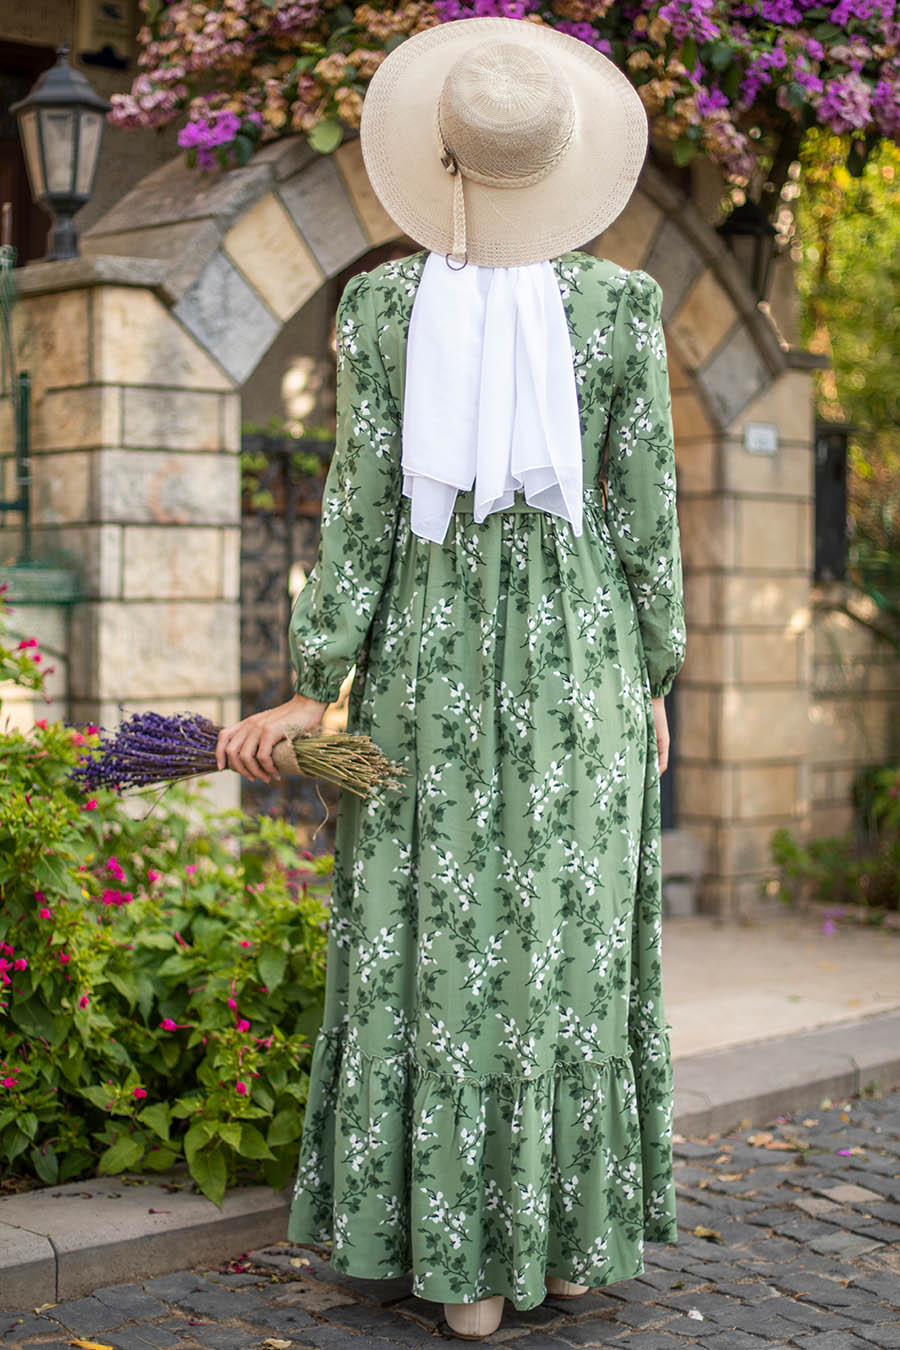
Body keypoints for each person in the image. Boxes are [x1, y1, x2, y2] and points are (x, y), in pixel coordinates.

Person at [216, 15, 686, 1342]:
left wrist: (320, 681)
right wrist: (653, 673)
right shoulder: (622, 308)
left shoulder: (376, 306)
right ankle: (570, 1245)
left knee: (433, 942)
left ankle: (457, 1269)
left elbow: (355, 518)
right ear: (563, 165)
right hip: (581, 666)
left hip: (421, 654)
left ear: (441, 155)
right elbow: (647, 519)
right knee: (567, 953)